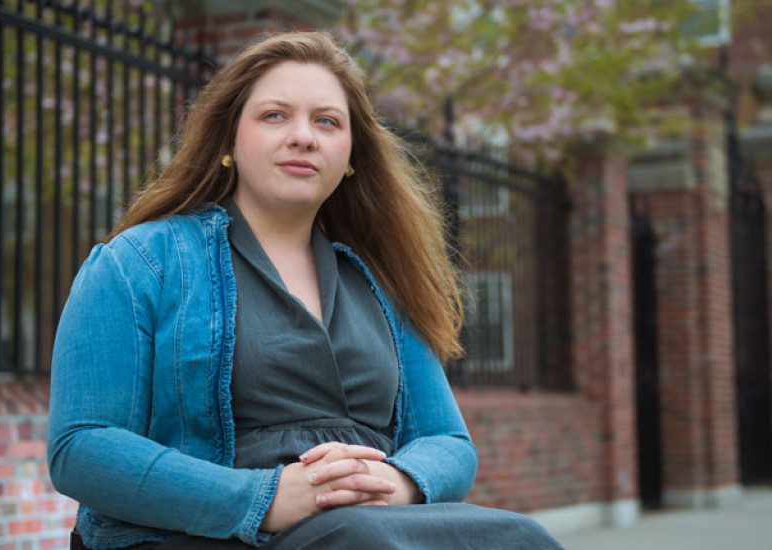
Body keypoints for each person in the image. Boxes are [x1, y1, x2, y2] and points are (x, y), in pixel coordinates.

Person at [48, 31, 563, 550]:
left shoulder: (381, 283)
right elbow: (82, 447)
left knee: (522, 537)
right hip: (197, 537)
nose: (303, 137)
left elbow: (448, 442)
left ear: (351, 154)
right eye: (275, 116)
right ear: (228, 141)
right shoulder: (139, 262)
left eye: (326, 121)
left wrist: (393, 484)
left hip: (368, 527)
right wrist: (264, 498)